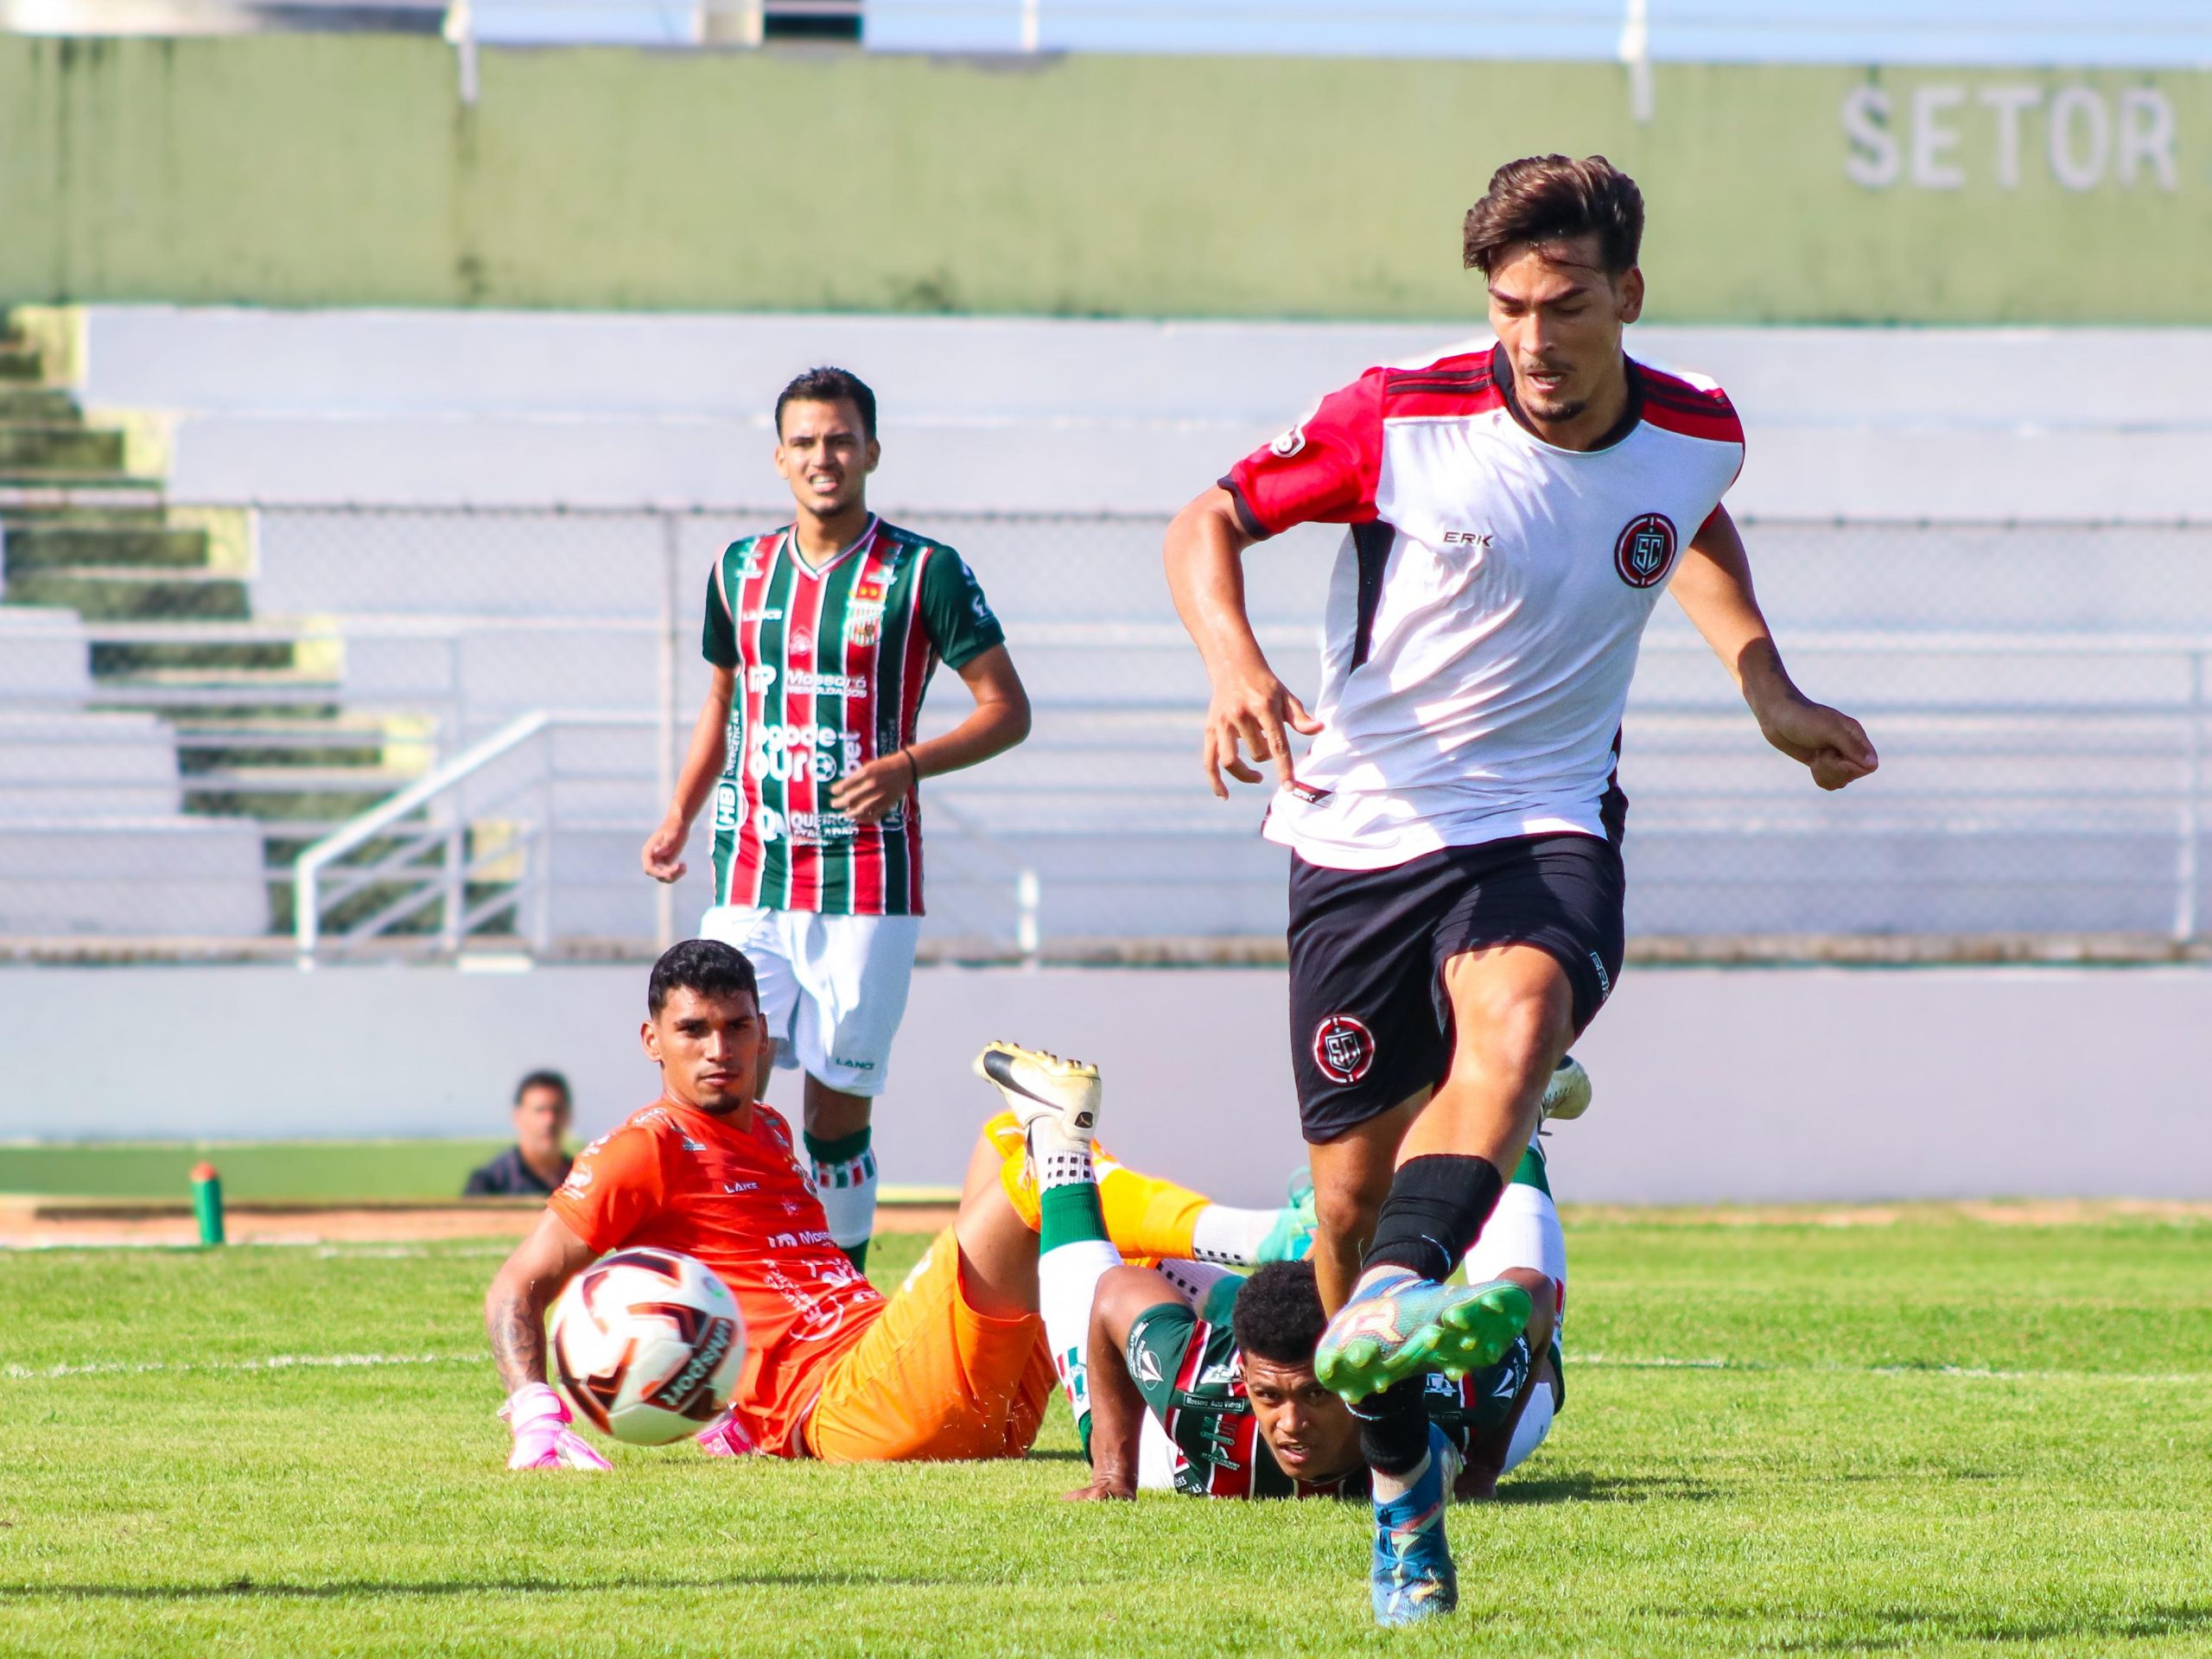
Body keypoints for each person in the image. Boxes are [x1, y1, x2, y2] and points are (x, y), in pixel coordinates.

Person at [1161, 154, 1878, 1623]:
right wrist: (1233, 662)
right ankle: (1403, 1488)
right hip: (1360, 836)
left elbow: (1682, 524)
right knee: (1343, 1203)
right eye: (1508, 308)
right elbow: (1206, 521)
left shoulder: (1698, 428)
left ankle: (1411, 1283)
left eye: (1565, 307)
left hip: (1545, 820)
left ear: (1630, 294)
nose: (1534, 341)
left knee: (1522, 1018)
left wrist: (1767, 687)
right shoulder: (1397, 416)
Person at [640, 367, 1032, 1273]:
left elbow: (1007, 709)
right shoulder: (738, 570)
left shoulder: (925, 571)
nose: (824, 457)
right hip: (750, 867)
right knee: (719, 1083)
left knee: (834, 1114)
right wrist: (679, 813)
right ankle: (735, 1281)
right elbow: (722, 702)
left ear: (871, 452)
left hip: (867, 881)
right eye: (806, 442)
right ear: (779, 458)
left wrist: (907, 765)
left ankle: (842, 1293)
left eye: (841, 440)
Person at [485, 943, 1133, 1471]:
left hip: (971, 1404)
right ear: (652, 1040)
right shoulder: (644, 1148)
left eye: (737, 1027)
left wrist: (718, 1406)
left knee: (1013, 1143)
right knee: (1041, 1167)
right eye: (693, 1030)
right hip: (851, 1402)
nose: (718, 1050)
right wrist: (536, 1417)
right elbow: (518, 1283)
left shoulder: (769, 1129)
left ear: (763, 1034)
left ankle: (1188, 1398)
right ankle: (1206, 1236)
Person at [1065, 1132, 1566, 1506]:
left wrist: (1484, 1467)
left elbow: (1536, 1293)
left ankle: (1517, 1099)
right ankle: (1062, 1146)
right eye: (1269, 1396)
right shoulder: (1196, 1387)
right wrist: (1112, 1475)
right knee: (1096, 1424)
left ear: (1356, 1373)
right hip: (1198, 1445)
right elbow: (1114, 1291)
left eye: (1316, 1394)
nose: (1291, 1425)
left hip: (1426, 1413)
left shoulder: (1453, 1397)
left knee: (1544, 1377)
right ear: (1243, 1376)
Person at [462, 1071, 575, 1197]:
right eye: (539, 1110)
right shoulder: (490, 1184)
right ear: (517, 1117)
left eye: (557, 1110)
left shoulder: (582, 1181)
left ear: (568, 1116)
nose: (549, 1120)